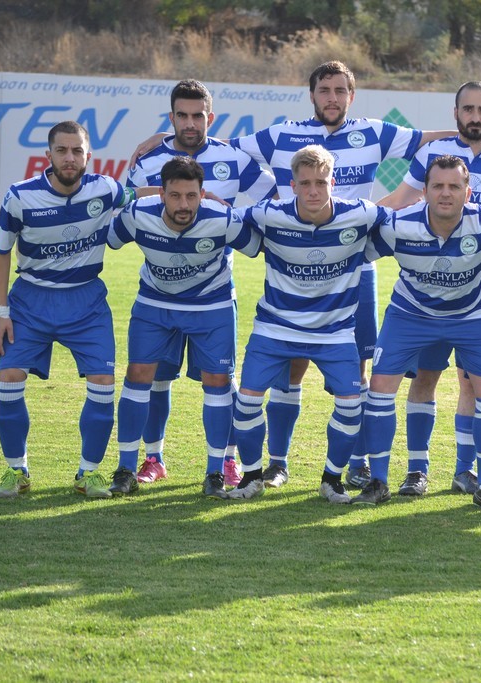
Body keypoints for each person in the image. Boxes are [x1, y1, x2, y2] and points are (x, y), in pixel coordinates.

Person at [226, 61, 481, 491]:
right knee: (291, 367)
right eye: (324, 90)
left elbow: (426, 138)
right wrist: (272, 197)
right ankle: (277, 462)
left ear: (352, 95)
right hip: (300, 258)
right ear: (312, 95)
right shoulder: (281, 135)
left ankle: (361, 462)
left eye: (340, 91)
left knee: (362, 369)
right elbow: (223, 149)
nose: (332, 98)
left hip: (357, 268)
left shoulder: (373, 132)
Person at [376, 81, 481, 498]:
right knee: (425, 375)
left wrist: (475, 214)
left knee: (472, 381)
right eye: (468, 109)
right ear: (456, 112)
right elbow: (401, 199)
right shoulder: (433, 153)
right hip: (428, 280)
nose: (475, 117)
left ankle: (466, 471)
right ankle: (417, 470)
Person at [125, 79, 277, 490]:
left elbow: (274, 196)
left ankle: (226, 461)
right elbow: (129, 203)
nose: (190, 123)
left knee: (221, 380)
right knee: (155, 377)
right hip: (159, 292)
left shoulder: (233, 158)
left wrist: (234, 214)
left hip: (213, 295)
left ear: (211, 117)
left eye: (198, 116)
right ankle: (153, 458)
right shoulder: (147, 159)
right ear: (171, 117)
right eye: (182, 116)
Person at [227, 145, 390, 504]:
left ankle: (331, 480)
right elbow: (226, 220)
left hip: (334, 332)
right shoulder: (269, 214)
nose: (313, 191)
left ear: (333, 182)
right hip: (275, 328)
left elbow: (404, 222)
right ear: (292, 186)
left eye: (321, 182)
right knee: (247, 400)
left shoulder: (360, 214)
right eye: (305, 184)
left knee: (351, 404)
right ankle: (251, 477)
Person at [0, 120, 138, 499]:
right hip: (30, 301)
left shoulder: (105, 189)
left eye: (77, 151)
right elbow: (0, 252)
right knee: (8, 378)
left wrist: (195, 194)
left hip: (86, 302)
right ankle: (17, 471)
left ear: (88, 156)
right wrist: (0, 313)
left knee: (103, 382)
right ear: (49, 155)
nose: (69, 158)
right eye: (62, 151)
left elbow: (145, 194)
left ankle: (88, 474)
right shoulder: (20, 196)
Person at [106, 157, 262, 498]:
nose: (184, 205)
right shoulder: (138, 215)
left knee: (218, 381)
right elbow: (111, 239)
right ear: (161, 194)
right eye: (175, 196)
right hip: (155, 303)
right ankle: (126, 469)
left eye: (192, 196)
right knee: (138, 374)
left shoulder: (221, 219)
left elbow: (256, 247)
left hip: (211, 305)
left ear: (202, 195)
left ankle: (215, 472)